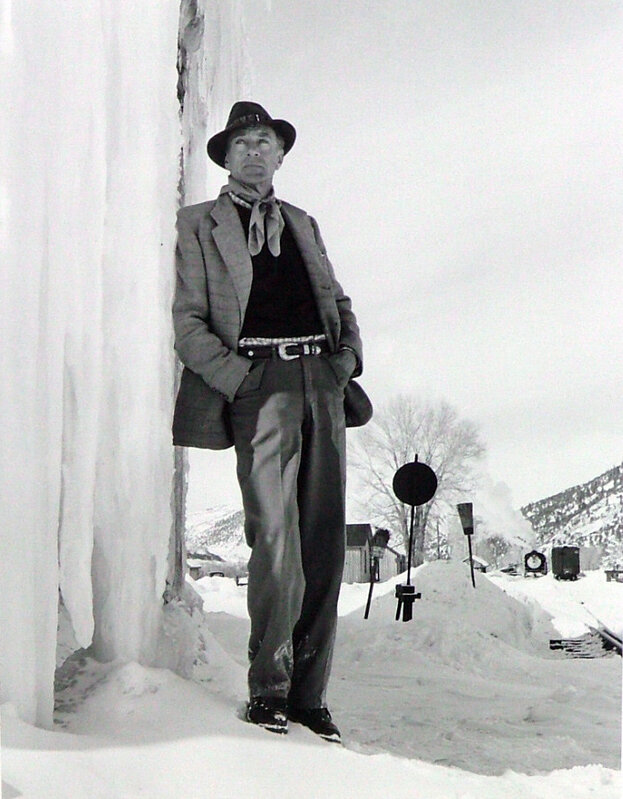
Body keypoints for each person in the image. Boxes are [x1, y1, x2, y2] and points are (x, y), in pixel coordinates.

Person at [172, 101, 367, 742]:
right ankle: (270, 691)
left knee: (324, 548)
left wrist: (345, 361)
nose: (255, 151)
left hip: (324, 382)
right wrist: (241, 379)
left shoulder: (304, 223)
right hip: (261, 386)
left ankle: (311, 698)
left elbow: (339, 301)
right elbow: (188, 323)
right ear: (226, 158)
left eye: (265, 141)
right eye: (242, 143)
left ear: (281, 155)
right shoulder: (198, 225)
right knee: (277, 544)